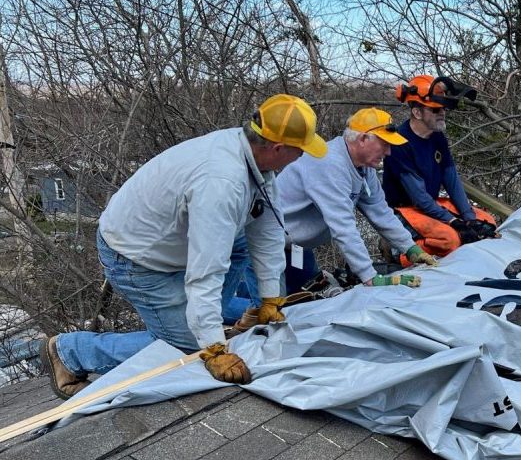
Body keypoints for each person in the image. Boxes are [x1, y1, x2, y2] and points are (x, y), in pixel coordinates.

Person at [39, 94, 327, 398]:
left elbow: (267, 229)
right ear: (279, 148)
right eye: (301, 150)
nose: (302, 157)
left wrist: (270, 297)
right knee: (185, 350)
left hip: (174, 239)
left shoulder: (254, 156)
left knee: (238, 248)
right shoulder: (222, 182)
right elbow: (206, 271)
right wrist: (213, 346)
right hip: (136, 257)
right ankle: (70, 352)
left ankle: (205, 321)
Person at [273, 107, 436, 292]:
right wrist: (369, 276)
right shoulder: (329, 163)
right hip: (264, 242)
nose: (389, 152)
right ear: (363, 139)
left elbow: (380, 212)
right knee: (263, 311)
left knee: (301, 300)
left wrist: (411, 249)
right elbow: (343, 227)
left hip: (296, 248)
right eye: (384, 144)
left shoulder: (365, 168)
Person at [381, 74, 498, 261]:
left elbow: (451, 179)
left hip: (430, 203)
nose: (441, 113)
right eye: (435, 110)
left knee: (486, 223)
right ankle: (399, 252)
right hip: (405, 209)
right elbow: (418, 197)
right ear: (417, 113)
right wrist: (453, 221)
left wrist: (468, 218)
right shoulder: (399, 143)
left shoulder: (437, 137)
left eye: (442, 108)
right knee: (450, 239)